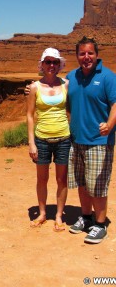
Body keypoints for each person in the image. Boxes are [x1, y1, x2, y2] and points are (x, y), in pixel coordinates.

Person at [66, 36, 116, 244]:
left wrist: (110, 125)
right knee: (82, 183)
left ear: (96, 55)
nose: (86, 57)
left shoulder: (108, 77)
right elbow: (62, 100)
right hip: (76, 140)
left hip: (99, 141)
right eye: (82, 53)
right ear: (77, 55)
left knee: (98, 185)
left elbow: (115, 104)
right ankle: (86, 218)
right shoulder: (71, 76)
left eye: (90, 53)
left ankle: (100, 224)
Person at [26, 47, 71, 232]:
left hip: (63, 138)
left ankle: (59, 215)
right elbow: (29, 115)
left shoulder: (66, 84)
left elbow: (71, 109)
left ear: (59, 65)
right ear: (42, 64)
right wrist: (31, 142)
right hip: (42, 139)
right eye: (48, 62)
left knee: (62, 180)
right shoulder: (34, 87)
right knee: (41, 179)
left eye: (55, 62)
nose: (51, 65)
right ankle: (43, 213)